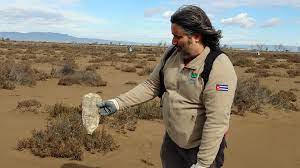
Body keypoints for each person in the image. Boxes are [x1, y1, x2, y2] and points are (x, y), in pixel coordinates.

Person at [96, 5, 237, 168]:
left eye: (178, 37)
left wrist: (203, 163)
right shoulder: (172, 54)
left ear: (196, 36)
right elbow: (151, 85)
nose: (173, 41)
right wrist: (117, 103)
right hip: (172, 142)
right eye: (172, 35)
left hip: (201, 149)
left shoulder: (218, 66)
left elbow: (217, 120)